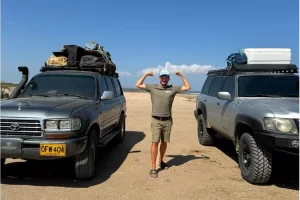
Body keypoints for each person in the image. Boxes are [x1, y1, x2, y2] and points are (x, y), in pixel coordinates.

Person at [135, 69, 191, 178]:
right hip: (156, 120)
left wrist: (182, 75)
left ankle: (161, 161)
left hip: (168, 120)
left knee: (164, 142)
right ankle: (153, 168)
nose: (164, 79)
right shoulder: (153, 87)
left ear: (168, 78)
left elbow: (188, 87)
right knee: (155, 142)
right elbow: (138, 84)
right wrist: (146, 74)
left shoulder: (173, 88)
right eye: (162, 77)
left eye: (166, 77)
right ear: (159, 78)